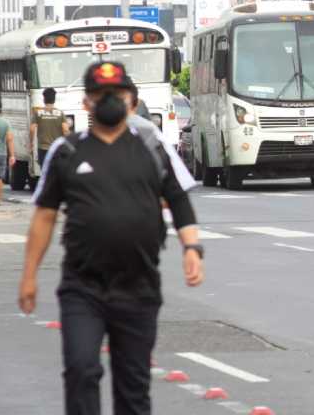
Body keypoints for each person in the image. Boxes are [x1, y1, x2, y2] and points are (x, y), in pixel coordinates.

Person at [18, 61, 204, 415]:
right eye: (101, 94)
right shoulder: (67, 151)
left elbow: (178, 199)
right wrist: (28, 276)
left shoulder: (151, 147)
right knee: (81, 370)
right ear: (87, 102)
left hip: (138, 287)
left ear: (130, 100)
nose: (109, 101)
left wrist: (191, 247)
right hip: (82, 287)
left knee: (133, 386)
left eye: (116, 94)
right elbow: (44, 215)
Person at [31, 87, 69, 168]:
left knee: (45, 173)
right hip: (57, 149)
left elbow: (32, 129)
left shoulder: (38, 113)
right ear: (54, 99)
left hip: (43, 149)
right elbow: (65, 130)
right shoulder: (60, 113)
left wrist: (31, 143)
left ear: (44, 99)